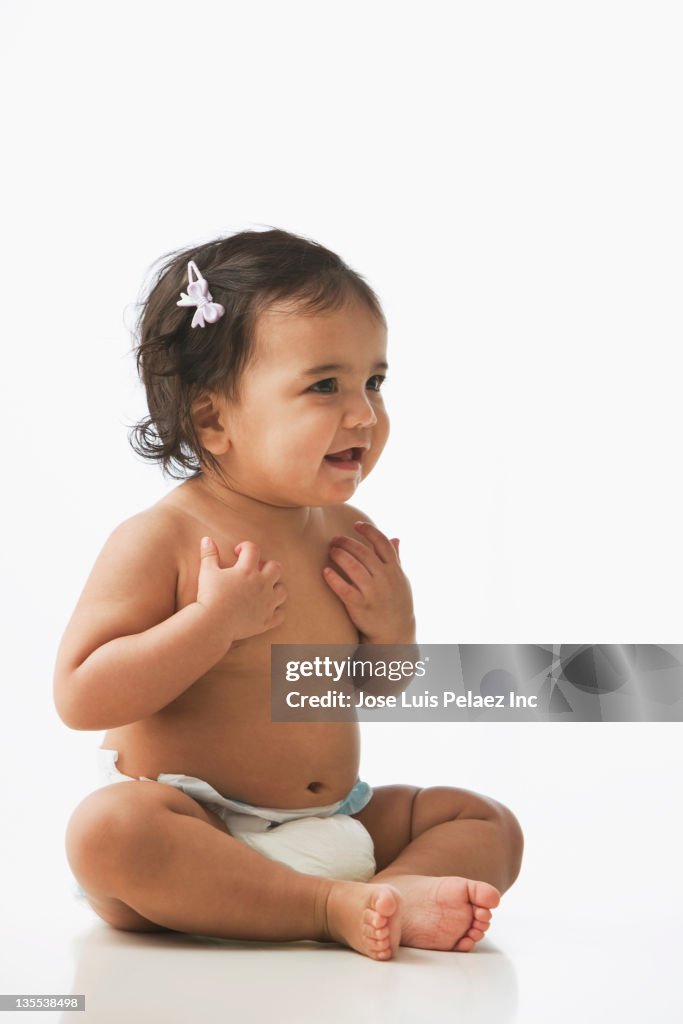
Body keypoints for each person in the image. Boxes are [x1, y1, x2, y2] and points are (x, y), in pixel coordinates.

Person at [54, 228, 523, 961]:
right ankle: (332, 907)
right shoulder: (166, 538)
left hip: (335, 815)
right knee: (110, 831)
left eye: (374, 382)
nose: (364, 414)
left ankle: (388, 893)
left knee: (485, 821)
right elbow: (82, 698)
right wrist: (209, 625)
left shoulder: (347, 532)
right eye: (324, 386)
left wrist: (392, 631)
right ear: (213, 419)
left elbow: (374, 686)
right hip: (198, 832)